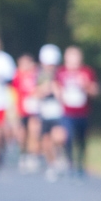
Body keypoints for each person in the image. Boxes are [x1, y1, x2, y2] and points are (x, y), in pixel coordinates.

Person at [57, 46, 100, 175]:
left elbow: (95, 91)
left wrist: (85, 85)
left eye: (76, 56)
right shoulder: (61, 72)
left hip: (83, 112)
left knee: (81, 140)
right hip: (67, 112)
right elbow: (57, 89)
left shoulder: (87, 72)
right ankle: (69, 162)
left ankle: (80, 164)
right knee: (67, 137)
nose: (73, 60)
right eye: (70, 56)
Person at [36, 44, 67, 175]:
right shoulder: (39, 76)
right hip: (44, 112)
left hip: (57, 112)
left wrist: (55, 89)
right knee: (46, 141)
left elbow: (64, 95)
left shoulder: (61, 75)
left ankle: (60, 157)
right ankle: (51, 164)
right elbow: (34, 94)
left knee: (58, 137)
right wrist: (43, 89)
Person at [13, 54, 41, 173]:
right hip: (21, 109)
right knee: (22, 133)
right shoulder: (17, 75)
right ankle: (23, 154)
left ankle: (32, 155)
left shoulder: (36, 74)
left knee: (33, 132)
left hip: (33, 108)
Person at [0, 35, 15, 166]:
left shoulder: (5, 59)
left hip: (1, 100)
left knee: (0, 129)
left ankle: (1, 149)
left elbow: (12, 80)